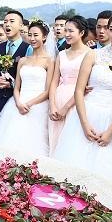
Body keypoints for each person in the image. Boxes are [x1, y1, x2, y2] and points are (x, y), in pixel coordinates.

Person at [55, 10, 112, 184]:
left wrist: (111, 131)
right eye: (111, 29)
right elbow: (79, 90)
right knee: (73, 171)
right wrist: (84, 124)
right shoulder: (93, 54)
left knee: (105, 173)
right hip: (85, 115)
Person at [0, 20, 53, 158]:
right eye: (30, 35)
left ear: (44, 37)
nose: (32, 39)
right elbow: (17, 86)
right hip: (17, 103)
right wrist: (18, 102)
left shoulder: (50, 61)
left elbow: (47, 91)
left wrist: (28, 104)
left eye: (36, 35)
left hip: (37, 105)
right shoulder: (23, 60)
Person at [48, 16, 90, 154]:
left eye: (70, 31)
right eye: (65, 30)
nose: (66, 34)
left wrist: (66, 107)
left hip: (78, 101)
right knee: (55, 139)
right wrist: (53, 105)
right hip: (59, 98)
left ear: (81, 33)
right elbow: (54, 81)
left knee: (72, 142)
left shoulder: (90, 54)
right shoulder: (61, 54)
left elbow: (86, 86)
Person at [0, 11, 30, 127]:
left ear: (21, 26)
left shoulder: (28, 49)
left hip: (16, 101)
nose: (7, 24)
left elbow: (30, 78)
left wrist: (12, 84)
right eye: (5, 22)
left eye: (11, 21)